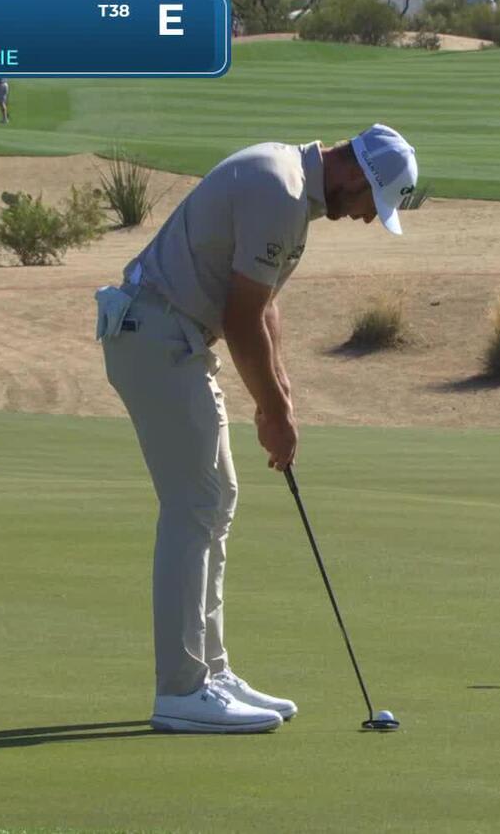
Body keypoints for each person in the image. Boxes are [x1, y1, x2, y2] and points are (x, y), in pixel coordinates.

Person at [93, 124, 419, 734]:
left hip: (176, 339)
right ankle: (182, 690)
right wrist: (271, 412)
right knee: (194, 505)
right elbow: (240, 320)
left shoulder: (293, 190)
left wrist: (283, 392)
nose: (366, 219)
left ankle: (211, 672)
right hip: (158, 336)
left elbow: (265, 306)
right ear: (352, 174)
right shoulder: (279, 190)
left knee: (216, 499)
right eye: (369, 205)